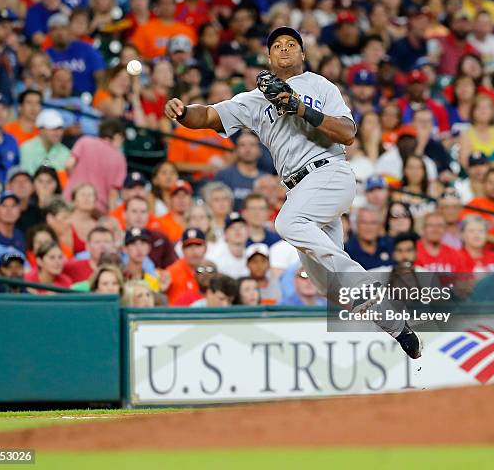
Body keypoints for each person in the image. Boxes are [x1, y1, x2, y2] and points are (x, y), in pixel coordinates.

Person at [164, 26, 422, 357]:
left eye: (291, 44)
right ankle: (397, 328)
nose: (284, 48)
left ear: (302, 54)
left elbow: (347, 133)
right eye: (277, 45)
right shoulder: (255, 100)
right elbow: (210, 115)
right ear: (268, 57)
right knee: (326, 286)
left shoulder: (321, 86)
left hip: (329, 171)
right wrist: (184, 113)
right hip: (299, 189)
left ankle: (366, 284)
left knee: (286, 223)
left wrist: (300, 107)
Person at [64, 118, 127, 212]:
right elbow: (112, 195)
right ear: (118, 136)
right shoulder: (120, 158)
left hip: (71, 201)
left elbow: (68, 165)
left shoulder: (85, 141)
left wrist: (74, 181)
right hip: (96, 210)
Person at [215, 131, 263, 211]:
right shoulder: (223, 175)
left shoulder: (266, 179)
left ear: (260, 150)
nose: (247, 149)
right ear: (236, 150)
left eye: (252, 145)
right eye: (242, 145)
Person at [20, 109, 71, 175]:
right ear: (41, 130)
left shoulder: (65, 152)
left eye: (60, 128)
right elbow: (27, 179)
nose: (58, 132)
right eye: (53, 128)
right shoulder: (27, 149)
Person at [165, 228, 207, 306]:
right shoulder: (171, 272)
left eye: (198, 245)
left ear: (205, 248)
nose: (193, 250)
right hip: (178, 316)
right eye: (189, 246)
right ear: (182, 249)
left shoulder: (211, 271)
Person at [344, 206, 394, 271]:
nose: (368, 227)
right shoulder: (346, 251)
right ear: (356, 224)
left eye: (373, 223)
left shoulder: (391, 245)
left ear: (380, 225)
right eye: (364, 222)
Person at [205, 211, 250, 279]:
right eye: (232, 227)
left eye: (241, 227)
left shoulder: (250, 254)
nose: (237, 230)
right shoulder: (214, 255)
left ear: (248, 232)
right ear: (225, 234)